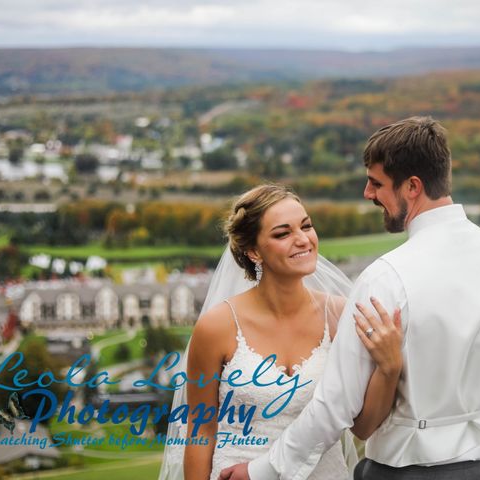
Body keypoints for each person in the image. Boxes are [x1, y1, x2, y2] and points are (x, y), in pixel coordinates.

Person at [221, 116, 480, 480]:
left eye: (377, 184)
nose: (368, 194)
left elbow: (336, 404)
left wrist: (262, 470)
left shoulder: (387, 278)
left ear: (412, 187)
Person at [158, 184, 404, 480]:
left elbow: (363, 427)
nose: (303, 240)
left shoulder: (341, 315)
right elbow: (200, 433)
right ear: (253, 251)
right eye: (282, 233)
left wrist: (389, 367)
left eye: (306, 226)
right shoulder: (216, 326)